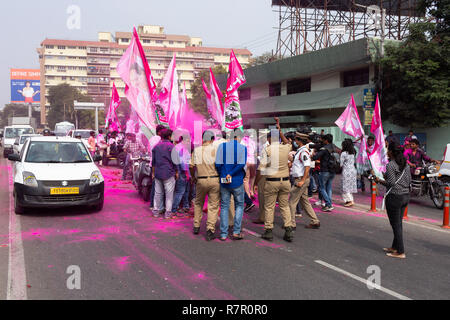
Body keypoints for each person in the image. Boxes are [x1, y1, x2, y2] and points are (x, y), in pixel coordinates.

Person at [258, 118, 294, 242]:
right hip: (285, 181)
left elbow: (261, 169)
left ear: (269, 139)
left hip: (271, 182)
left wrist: (256, 184)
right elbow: (288, 144)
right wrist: (280, 131)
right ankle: (288, 230)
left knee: (269, 207)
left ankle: (268, 231)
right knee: (284, 206)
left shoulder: (267, 150)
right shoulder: (285, 148)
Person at [375, 143, 411, 259]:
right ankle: (394, 247)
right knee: (398, 223)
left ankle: (400, 251)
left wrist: (379, 180)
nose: (386, 152)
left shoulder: (391, 165)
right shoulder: (406, 164)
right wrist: (384, 177)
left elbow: (391, 183)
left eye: (388, 150)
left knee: (395, 224)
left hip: (395, 197)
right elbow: (405, 179)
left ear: (392, 152)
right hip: (405, 196)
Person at [215, 128, 247, 241]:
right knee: (239, 205)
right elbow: (241, 164)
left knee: (224, 206)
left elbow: (218, 164)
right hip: (237, 181)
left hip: (224, 180)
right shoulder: (242, 148)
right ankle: (236, 232)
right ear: (238, 137)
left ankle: (223, 234)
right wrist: (231, 173)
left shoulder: (222, 147)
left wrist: (224, 174)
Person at [190, 130, 221, 241]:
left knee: (198, 203)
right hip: (214, 180)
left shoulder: (197, 151)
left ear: (203, 138)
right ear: (212, 139)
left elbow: (191, 166)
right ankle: (209, 230)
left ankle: (196, 226)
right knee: (213, 206)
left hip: (201, 180)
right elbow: (220, 166)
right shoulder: (216, 150)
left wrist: (193, 177)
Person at [289, 133, 321, 230]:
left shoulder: (303, 152)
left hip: (300, 179)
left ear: (299, 140)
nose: (294, 141)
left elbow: (307, 166)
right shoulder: (301, 151)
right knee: (305, 202)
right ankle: (315, 221)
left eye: (295, 139)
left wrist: (302, 180)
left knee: (291, 202)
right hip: (301, 179)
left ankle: (291, 224)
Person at [152, 129, 179, 219]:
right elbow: (175, 161)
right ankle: (167, 213)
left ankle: (155, 211)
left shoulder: (156, 147)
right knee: (169, 194)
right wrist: (176, 172)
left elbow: (153, 162)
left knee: (158, 193)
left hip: (158, 172)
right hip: (168, 172)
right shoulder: (172, 147)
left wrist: (153, 173)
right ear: (169, 136)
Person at [312, 134, 338, 212]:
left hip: (325, 170)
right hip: (333, 170)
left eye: (323, 140)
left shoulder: (324, 149)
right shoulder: (334, 147)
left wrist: (313, 154)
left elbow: (315, 157)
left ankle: (329, 204)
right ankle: (328, 204)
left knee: (321, 187)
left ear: (326, 140)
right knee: (328, 188)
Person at [171, 134, 192, 217]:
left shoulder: (178, 147)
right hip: (182, 172)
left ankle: (185, 206)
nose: (189, 142)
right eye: (188, 141)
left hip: (181, 172)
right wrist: (187, 173)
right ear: (183, 140)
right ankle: (174, 209)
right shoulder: (181, 148)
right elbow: (183, 163)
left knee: (185, 191)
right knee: (180, 192)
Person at [148, 125, 167, 211]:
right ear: (159, 132)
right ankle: (157, 206)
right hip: (158, 164)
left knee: (154, 186)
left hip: (152, 163)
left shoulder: (151, 139)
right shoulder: (159, 140)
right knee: (159, 186)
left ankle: (152, 204)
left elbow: (149, 150)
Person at [340, 139, 358, 207]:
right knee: (349, 186)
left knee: (345, 186)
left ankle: (350, 200)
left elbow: (341, 164)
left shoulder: (343, 153)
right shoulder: (353, 152)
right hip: (353, 170)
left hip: (346, 171)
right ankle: (349, 200)